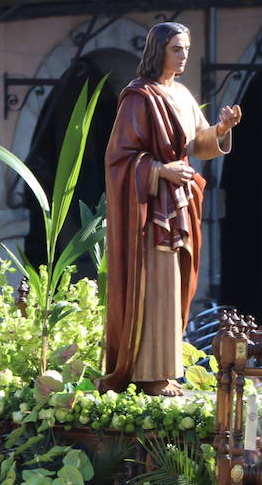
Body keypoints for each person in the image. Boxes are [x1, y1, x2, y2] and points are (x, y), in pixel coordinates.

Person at [102, 22, 238, 395]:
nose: (183, 56)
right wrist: (160, 170)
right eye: (177, 49)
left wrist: (222, 128)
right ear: (158, 50)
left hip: (179, 204)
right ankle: (149, 374)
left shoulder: (180, 94)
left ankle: (167, 370)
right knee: (156, 285)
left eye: (187, 49)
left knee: (177, 286)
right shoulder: (138, 97)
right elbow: (119, 158)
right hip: (151, 209)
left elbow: (200, 143)